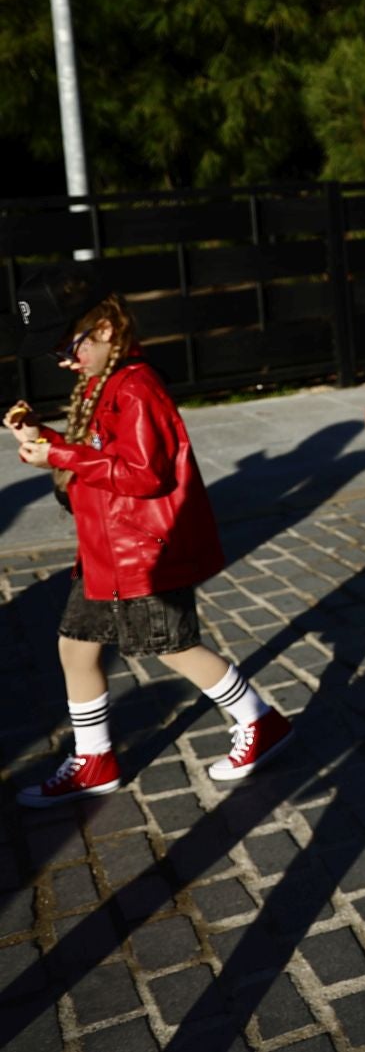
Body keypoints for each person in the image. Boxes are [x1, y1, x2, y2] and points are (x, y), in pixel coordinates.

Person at [6, 266, 294, 805]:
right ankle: (95, 758)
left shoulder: (135, 387)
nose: (64, 361)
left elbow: (144, 473)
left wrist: (60, 453)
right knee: (75, 647)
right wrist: (43, 440)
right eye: (53, 354)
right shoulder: (99, 383)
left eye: (67, 346)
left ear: (106, 330)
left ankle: (260, 721)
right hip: (103, 553)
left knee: (173, 646)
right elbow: (98, 460)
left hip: (142, 553)